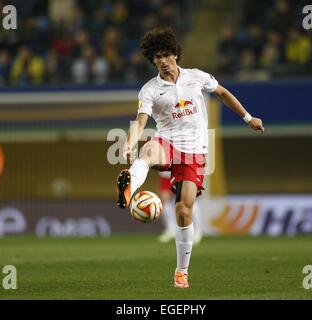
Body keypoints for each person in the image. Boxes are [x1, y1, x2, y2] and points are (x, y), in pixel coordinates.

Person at [115, 27, 264, 289]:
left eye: (165, 54)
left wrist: (248, 118)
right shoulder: (149, 90)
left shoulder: (197, 77)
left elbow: (222, 93)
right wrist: (129, 141)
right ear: (152, 60)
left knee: (184, 210)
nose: (162, 60)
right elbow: (141, 121)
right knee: (148, 151)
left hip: (195, 152)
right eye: (156, 57)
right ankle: (129, 189)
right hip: (168, 142)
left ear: (175, 54)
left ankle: (181, 272)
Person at [157, 171, 203, 245]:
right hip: (167, 172)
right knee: (165, 199)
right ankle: (171, 230)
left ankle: (197, 232)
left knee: (190, 199)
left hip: (185, 170)